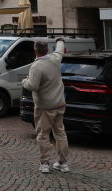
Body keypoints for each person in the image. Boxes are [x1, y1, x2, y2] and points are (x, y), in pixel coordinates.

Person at [22, 38, 69, 174]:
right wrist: (59, 40)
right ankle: (63, 163)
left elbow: (33, 86)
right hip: (59, 103)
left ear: (35, 51)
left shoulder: (36, 66)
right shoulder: (55, 58)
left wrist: (24, 81)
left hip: (44, 107)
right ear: (47, 49)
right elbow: (60, 47)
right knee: (60, 133)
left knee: (43, 135)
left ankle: (44, 163)